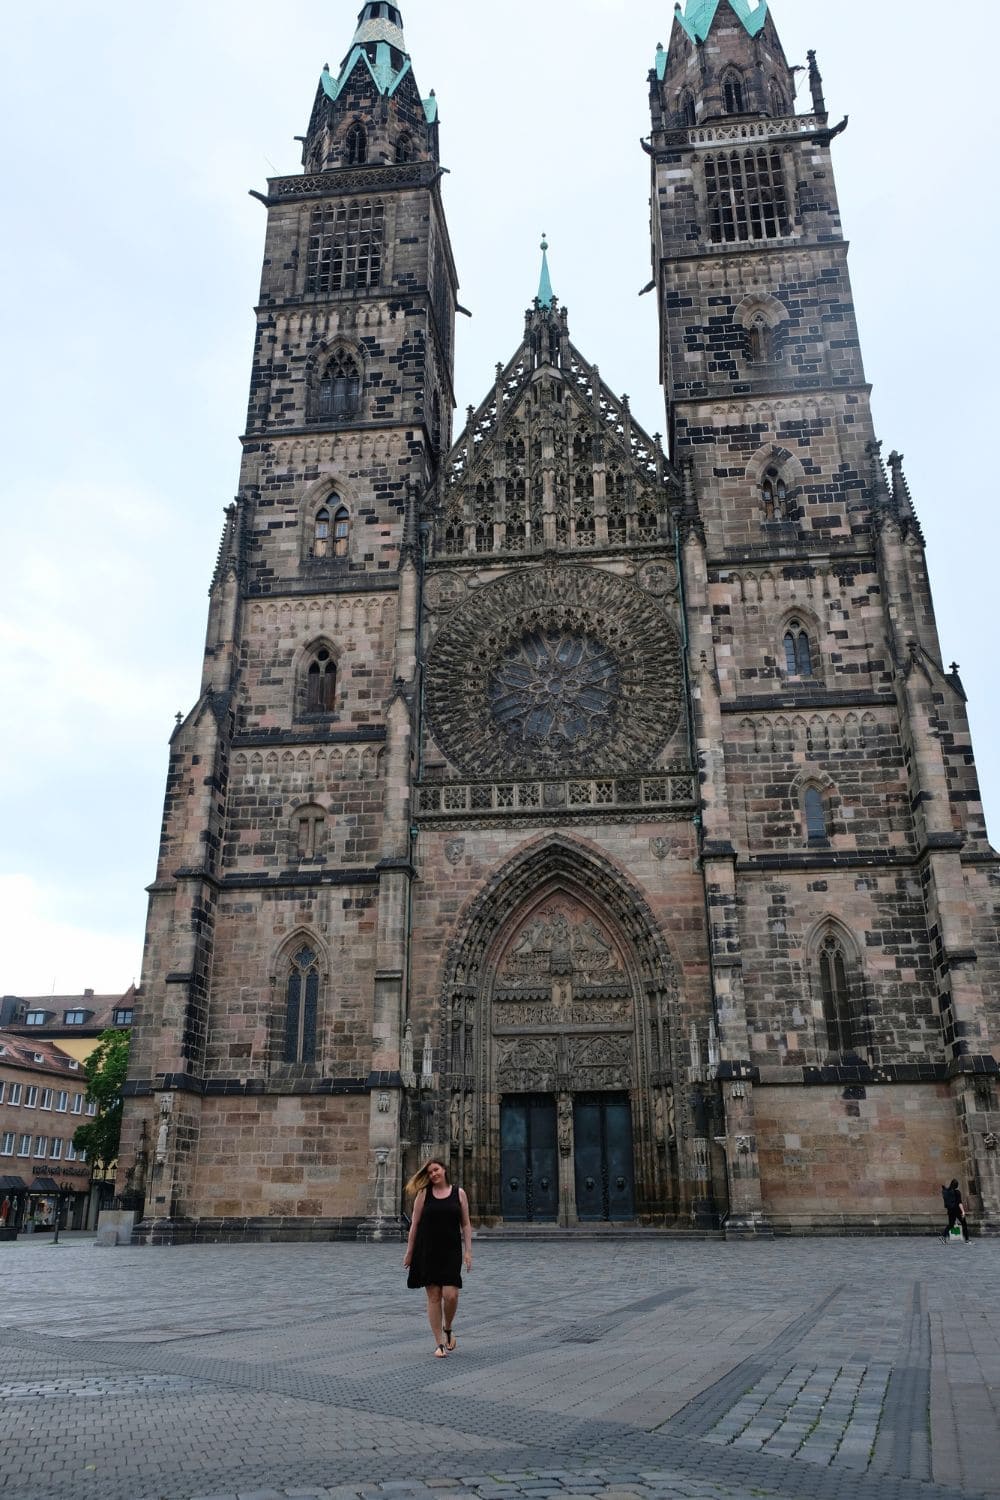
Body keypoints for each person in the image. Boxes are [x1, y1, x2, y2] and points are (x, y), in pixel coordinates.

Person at [403, 1159, 473, 1357]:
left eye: (436, 1170)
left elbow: (466, 1224)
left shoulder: (459, 1193)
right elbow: (414, 1225)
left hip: (451, 1250)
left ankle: (448, 1327)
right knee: (433, 1296)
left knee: (451, 1295)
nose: (433, 1174)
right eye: (430, 1172)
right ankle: (439, 1343)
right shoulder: (423, 1194)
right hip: (427, 1250)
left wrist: (468, 1251)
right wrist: (409, 1253)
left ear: (444, 1170)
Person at [941, 1178, 971, 1243]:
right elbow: (959, 1203)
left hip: (950, 1210)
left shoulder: (947, 1191)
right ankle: (967, 1240)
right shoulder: (957, 1192)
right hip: (957, 1210)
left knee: (951, 1224)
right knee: (964, 1224)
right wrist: (963, 1211)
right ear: (957, 1185)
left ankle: (943, 1236)